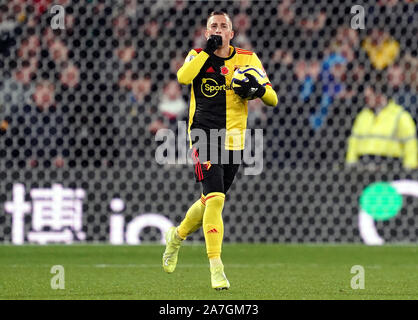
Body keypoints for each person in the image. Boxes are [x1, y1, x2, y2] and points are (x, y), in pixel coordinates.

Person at [162, 11, 278, 290]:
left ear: (231, 33)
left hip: (235, 141)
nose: (218, 29)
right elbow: (183, 77)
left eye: (223, 26)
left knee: (208, 200)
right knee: (215, 199)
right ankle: (217, 268)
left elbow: (273, 99)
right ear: (207, 33)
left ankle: (176, 237)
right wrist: (207, 51)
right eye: (213, 26)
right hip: (203, 135)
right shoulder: (197, 55)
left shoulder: (248, 59)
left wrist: (257, 88)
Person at [346, 81, 417, 170]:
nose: (366, 101)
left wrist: (410, 167)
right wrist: (351, 163)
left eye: (368, 98)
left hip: (390, 166)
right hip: (363, 165)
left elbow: (410, 143)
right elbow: (353, 142)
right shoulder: (363, 116)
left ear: (379, 96)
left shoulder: (399, 116)